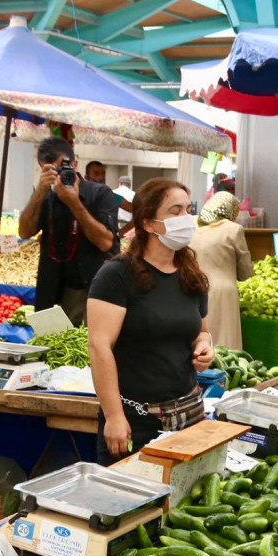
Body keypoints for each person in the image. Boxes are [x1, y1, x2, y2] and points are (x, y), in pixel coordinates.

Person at [88, 178, 214, 463]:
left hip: (189, 414)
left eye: (188, 209)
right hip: (136, 418)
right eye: (175, 211)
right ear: (147, 223)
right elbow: (99, 347)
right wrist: (114, 415)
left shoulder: (191, 275)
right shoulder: (117, 276)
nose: (186, 218)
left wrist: (204, 346)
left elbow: (202, 331)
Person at [18, 137, 118, 326]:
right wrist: (39, 192)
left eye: (62, 168)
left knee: (88, 343)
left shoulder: (101, 194)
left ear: (75, 165)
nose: (59, 176)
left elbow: (105, 243)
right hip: (51, 288)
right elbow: (24, 232)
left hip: (94, 290)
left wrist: (74, 203)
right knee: (50, 341)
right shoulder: (45, 197)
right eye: (50, 171)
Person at [192, 191, 253, 350]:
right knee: (223, 342)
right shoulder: (233, 229)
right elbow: (245, 272)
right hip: (222, 294)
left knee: (196, 339)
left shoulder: (190, 223)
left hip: (191, 288)